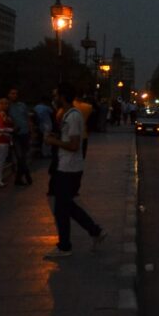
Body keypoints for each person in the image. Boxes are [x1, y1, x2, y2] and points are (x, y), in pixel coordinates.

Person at [43, 82, 105, 259]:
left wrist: (54, 142)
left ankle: (66, 245)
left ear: (62, 97)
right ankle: (93, 231)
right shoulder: (69, 115)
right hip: (66, 166)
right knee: (65, 206)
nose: (54, 98)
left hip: (68, 168)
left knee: (63, 207)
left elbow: (74, 145)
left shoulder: (73, 117)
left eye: (56, 95)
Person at [7, 88, 33, 186]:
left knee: (23, 157)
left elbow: (28, 118)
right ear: (8, 95)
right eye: (12, 93)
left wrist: (31, 131)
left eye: (16, 94)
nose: (14, 95)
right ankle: (27, 174)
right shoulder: (7, 106)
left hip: (25, 133)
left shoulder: (22, 105)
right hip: (16, 135)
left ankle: (18, 179)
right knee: (20, 156)